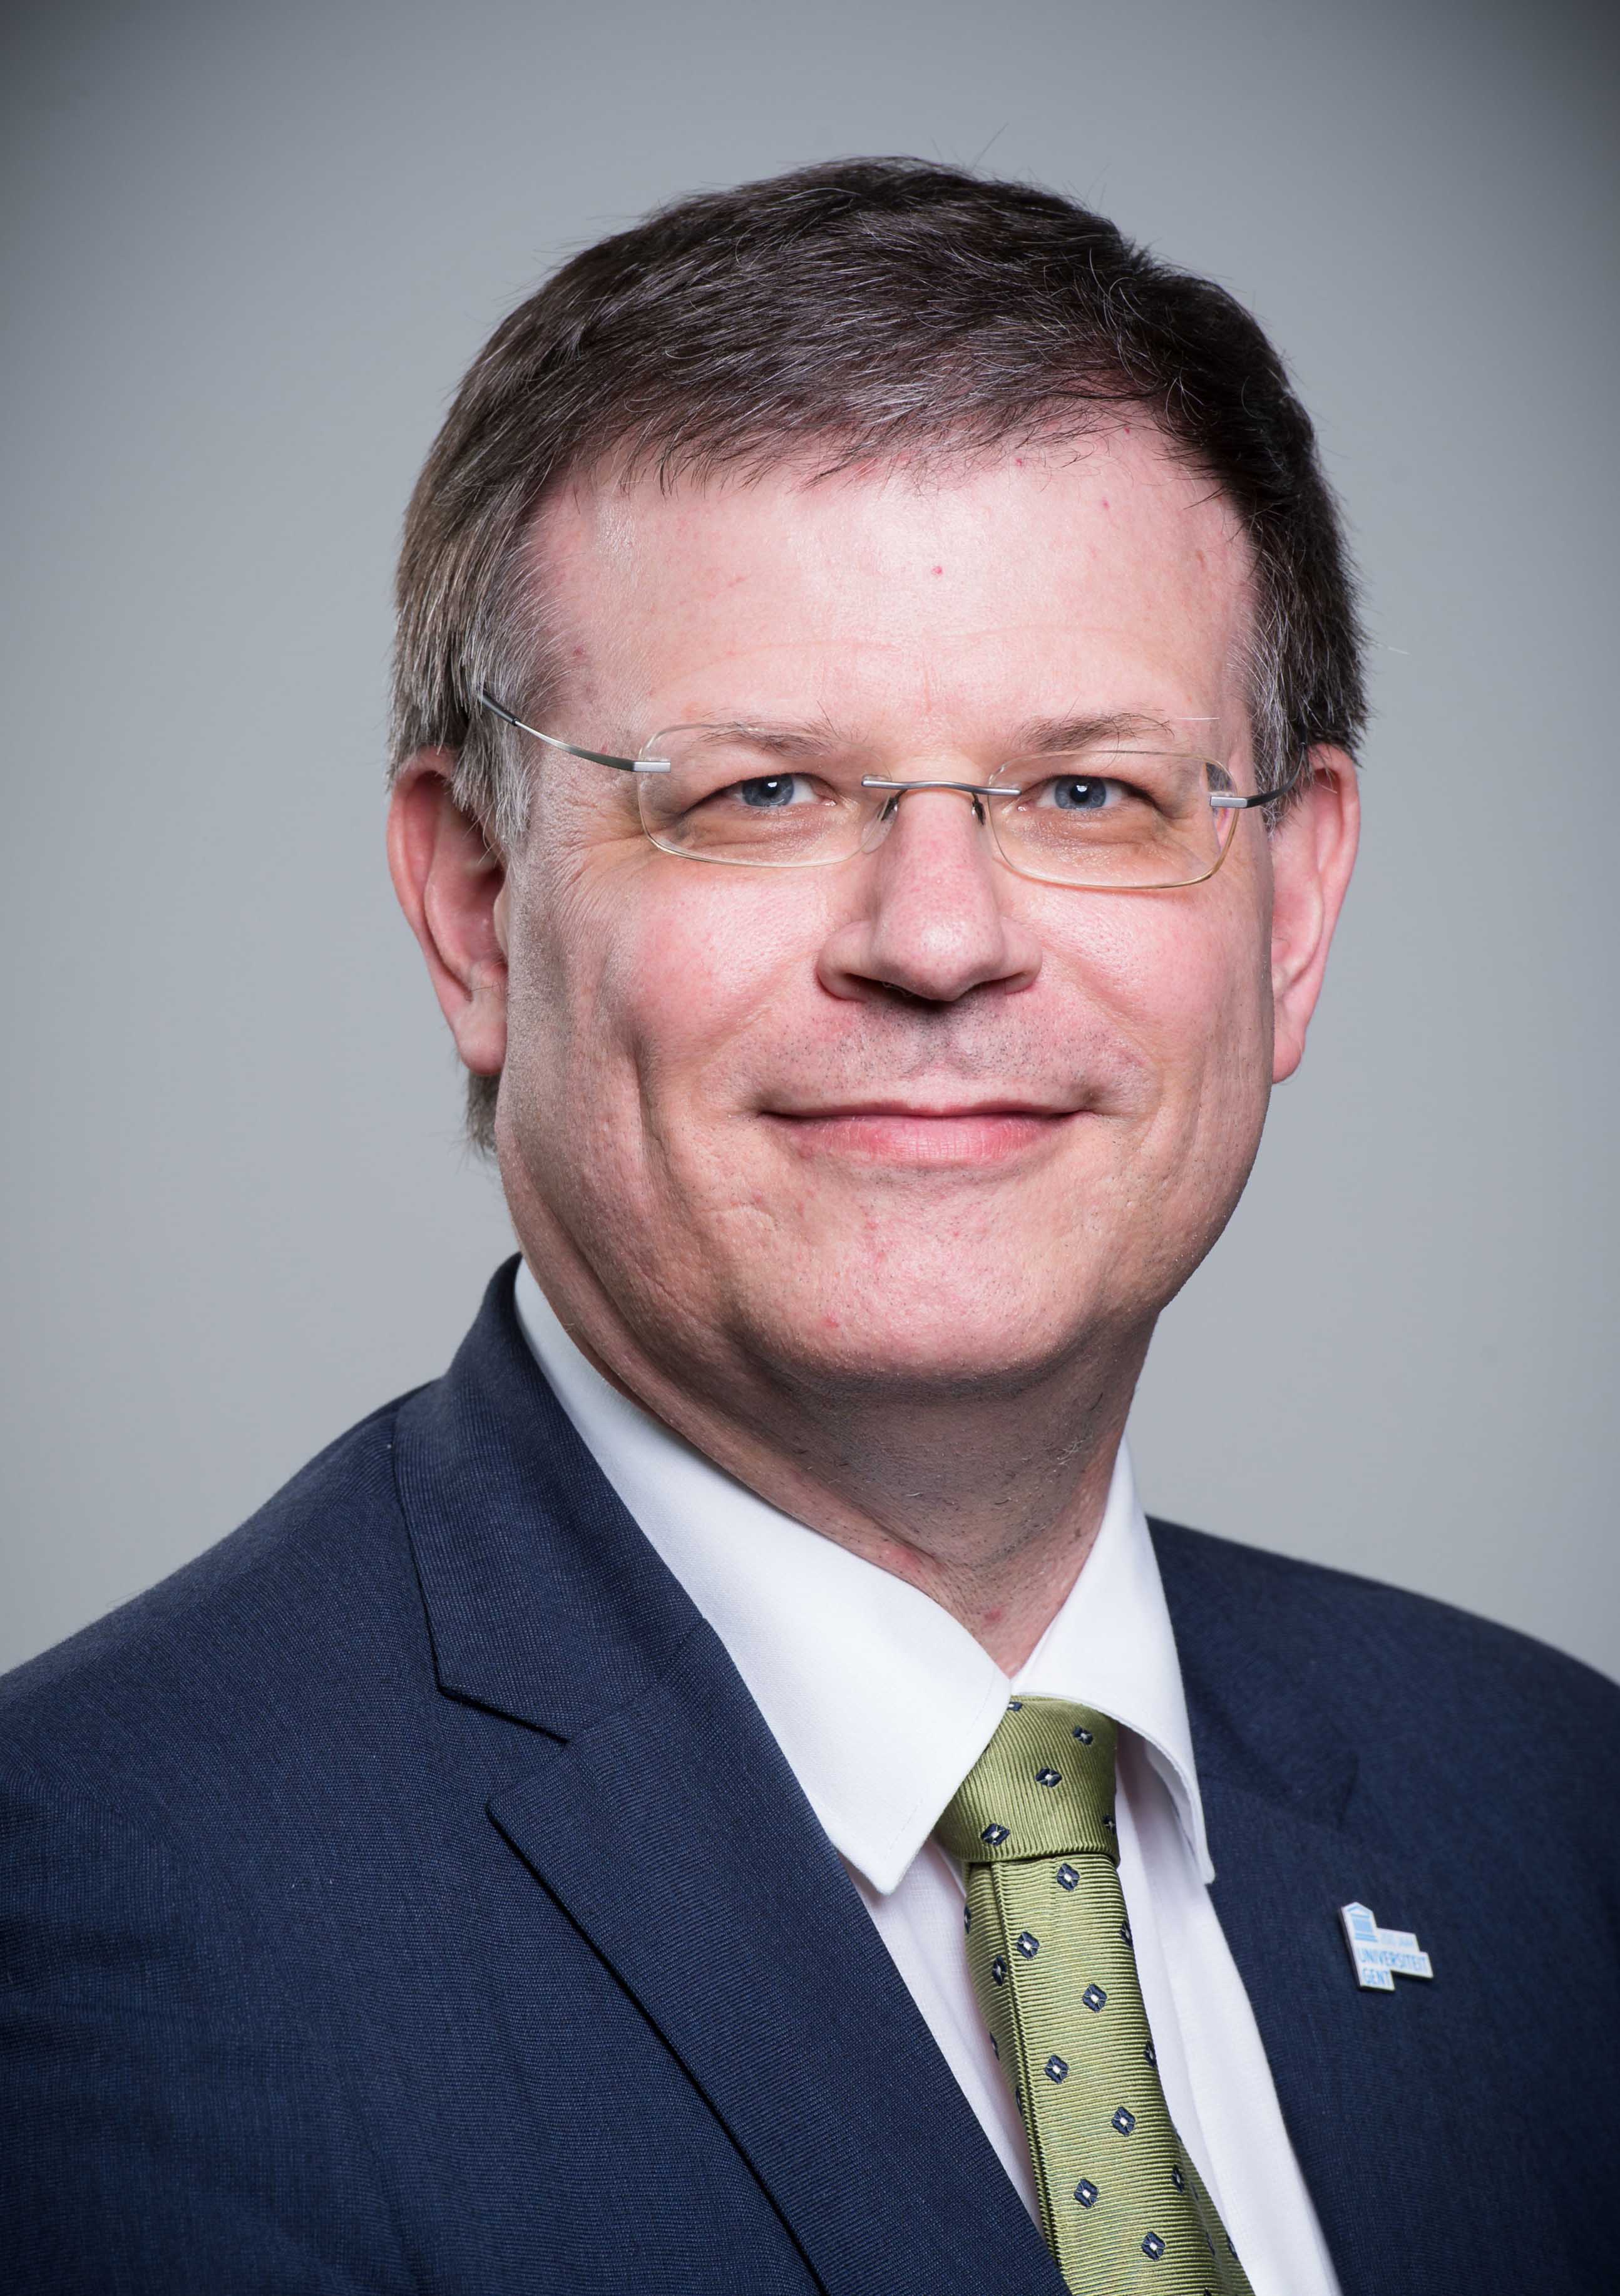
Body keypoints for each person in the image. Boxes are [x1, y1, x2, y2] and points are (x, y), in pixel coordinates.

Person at [1, 158, 1614, 2296]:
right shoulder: (93, 1928)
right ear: (476, 907)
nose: (937, 939)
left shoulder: (1553, 1812)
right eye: (759, 791)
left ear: (1291, 906)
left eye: (1090, 791)